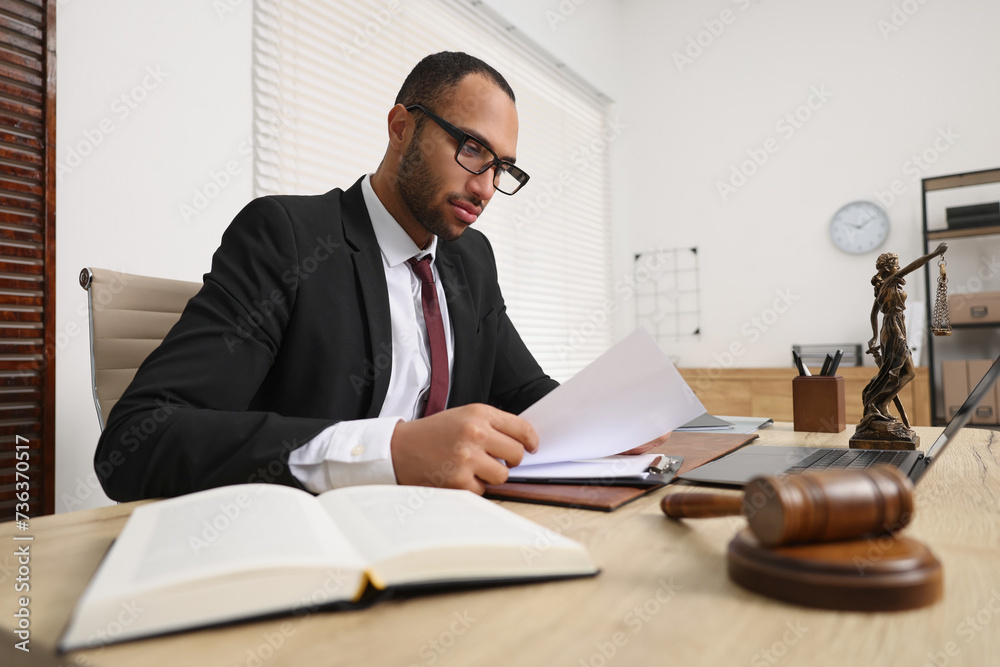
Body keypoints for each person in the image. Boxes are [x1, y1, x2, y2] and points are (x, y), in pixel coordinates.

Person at [95, 52, 653, 502]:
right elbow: (136, 442)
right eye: (473, 149)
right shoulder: (288, 238)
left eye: (502, 168)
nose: (486, 188)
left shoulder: (471, 260)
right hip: (311, 544)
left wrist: (607, 427)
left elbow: (524, 394)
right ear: (401, 127)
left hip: (444, 530)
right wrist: (390, 450)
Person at [857, 242, 947, 439]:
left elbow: (873, 314)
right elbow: (914, 265)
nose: (899, 267)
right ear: (888, 268)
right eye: (896, 264)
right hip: (894, 328)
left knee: (901, 371)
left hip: (893, 327)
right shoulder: (891, 281)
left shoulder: (887, 286)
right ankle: (879, 403)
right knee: (909, 371)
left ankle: (880, 403)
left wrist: (874, 335)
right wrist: (935, 253)